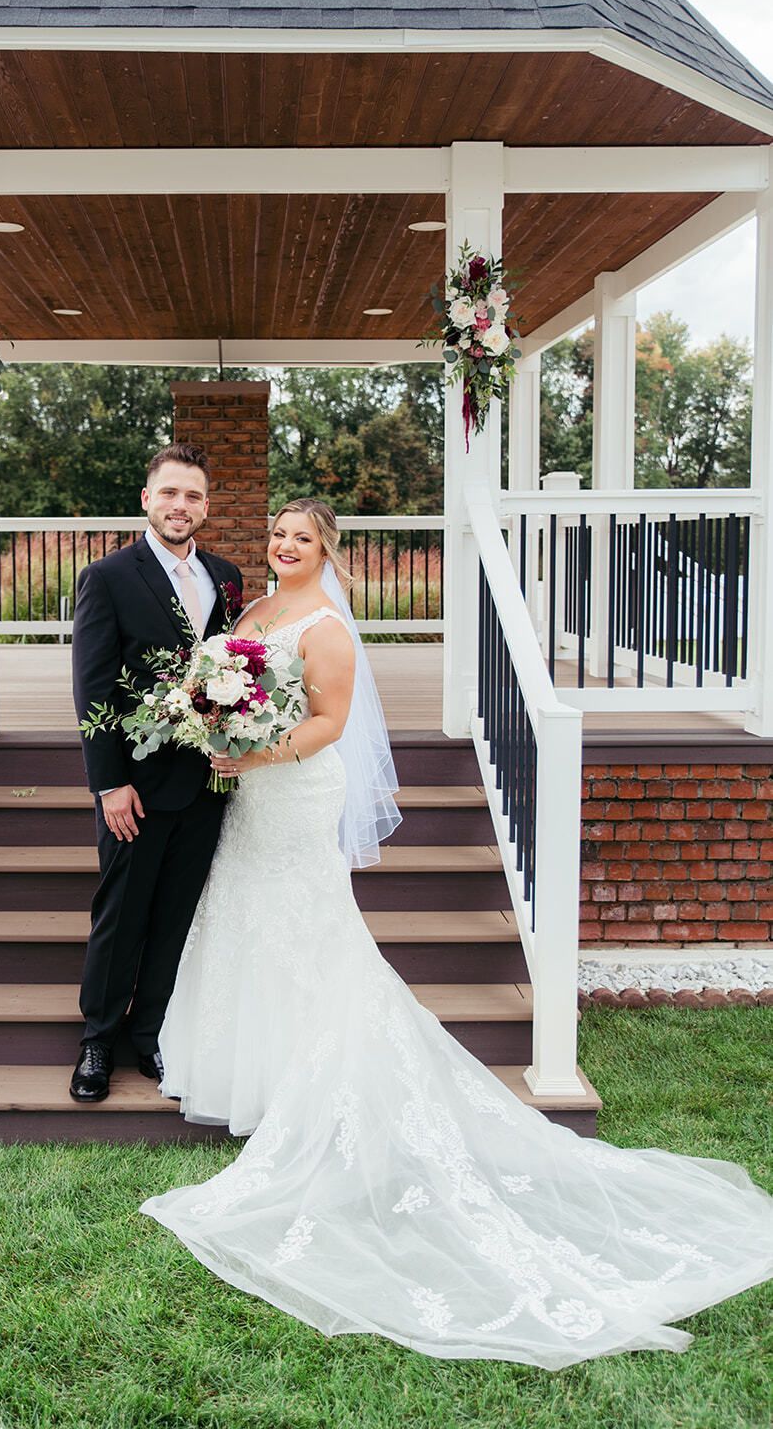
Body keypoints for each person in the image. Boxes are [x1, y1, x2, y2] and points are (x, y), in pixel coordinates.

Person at [139, 498, 773, 1371]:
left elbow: (325, 722)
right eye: (279, 536)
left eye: (301, 538)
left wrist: (257, 751)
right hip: (246, 800)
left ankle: (312, 1078)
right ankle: (250, 1074)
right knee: (244, 918)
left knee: (308, 930)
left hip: (288, 792)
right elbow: (228, 686)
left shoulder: (324, 625)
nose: (285, 546)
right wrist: (217, 726)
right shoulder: (250, 610)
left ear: (326, 549)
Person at [69, 444, 244, 1102]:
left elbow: (233, 674)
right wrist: (107, 784)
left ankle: (152, 1038)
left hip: (206, 785)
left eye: (193, 495)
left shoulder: (225, 577)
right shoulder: (109, 576)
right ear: (147, 500)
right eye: (169, 493)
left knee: (175, 919)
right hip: (135, 789)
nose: (180, 506)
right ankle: (96, 1043)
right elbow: (91, 689)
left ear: (205, 506)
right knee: (121, 917)